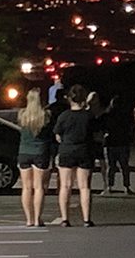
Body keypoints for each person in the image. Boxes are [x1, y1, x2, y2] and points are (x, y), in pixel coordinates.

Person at [52, 84, 96, 227]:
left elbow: (58, 135)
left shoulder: (64, 116)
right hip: (84, 150)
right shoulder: (88, 116)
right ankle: (86, 219)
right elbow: (95, 134)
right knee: (84, 187)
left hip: (67, 150)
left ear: (69, 99)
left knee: (65, 186)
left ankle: (65, 219)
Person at [16, 89, 53, 227]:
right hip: (40, 151)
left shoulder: (22, 115)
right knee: (39, 187)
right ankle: (38, 218)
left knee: (26, 187)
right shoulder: (46, 115)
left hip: (24, 151)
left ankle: (29, 219)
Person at [101, 95, 134, 194]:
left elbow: (102, 127)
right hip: (122, 142)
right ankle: (127, 186)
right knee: (124, 166)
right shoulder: (126, 115)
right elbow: (131, 126)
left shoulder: (107, 115)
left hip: (110, 142)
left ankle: (109, 186)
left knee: (111, 166)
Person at [86, 91, 107, 193]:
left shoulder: (99, 112)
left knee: (101, 163)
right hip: (91, 140)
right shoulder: (90, 112)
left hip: (97, 139)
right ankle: (88, 185)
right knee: (90, 165)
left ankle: (105, 184)